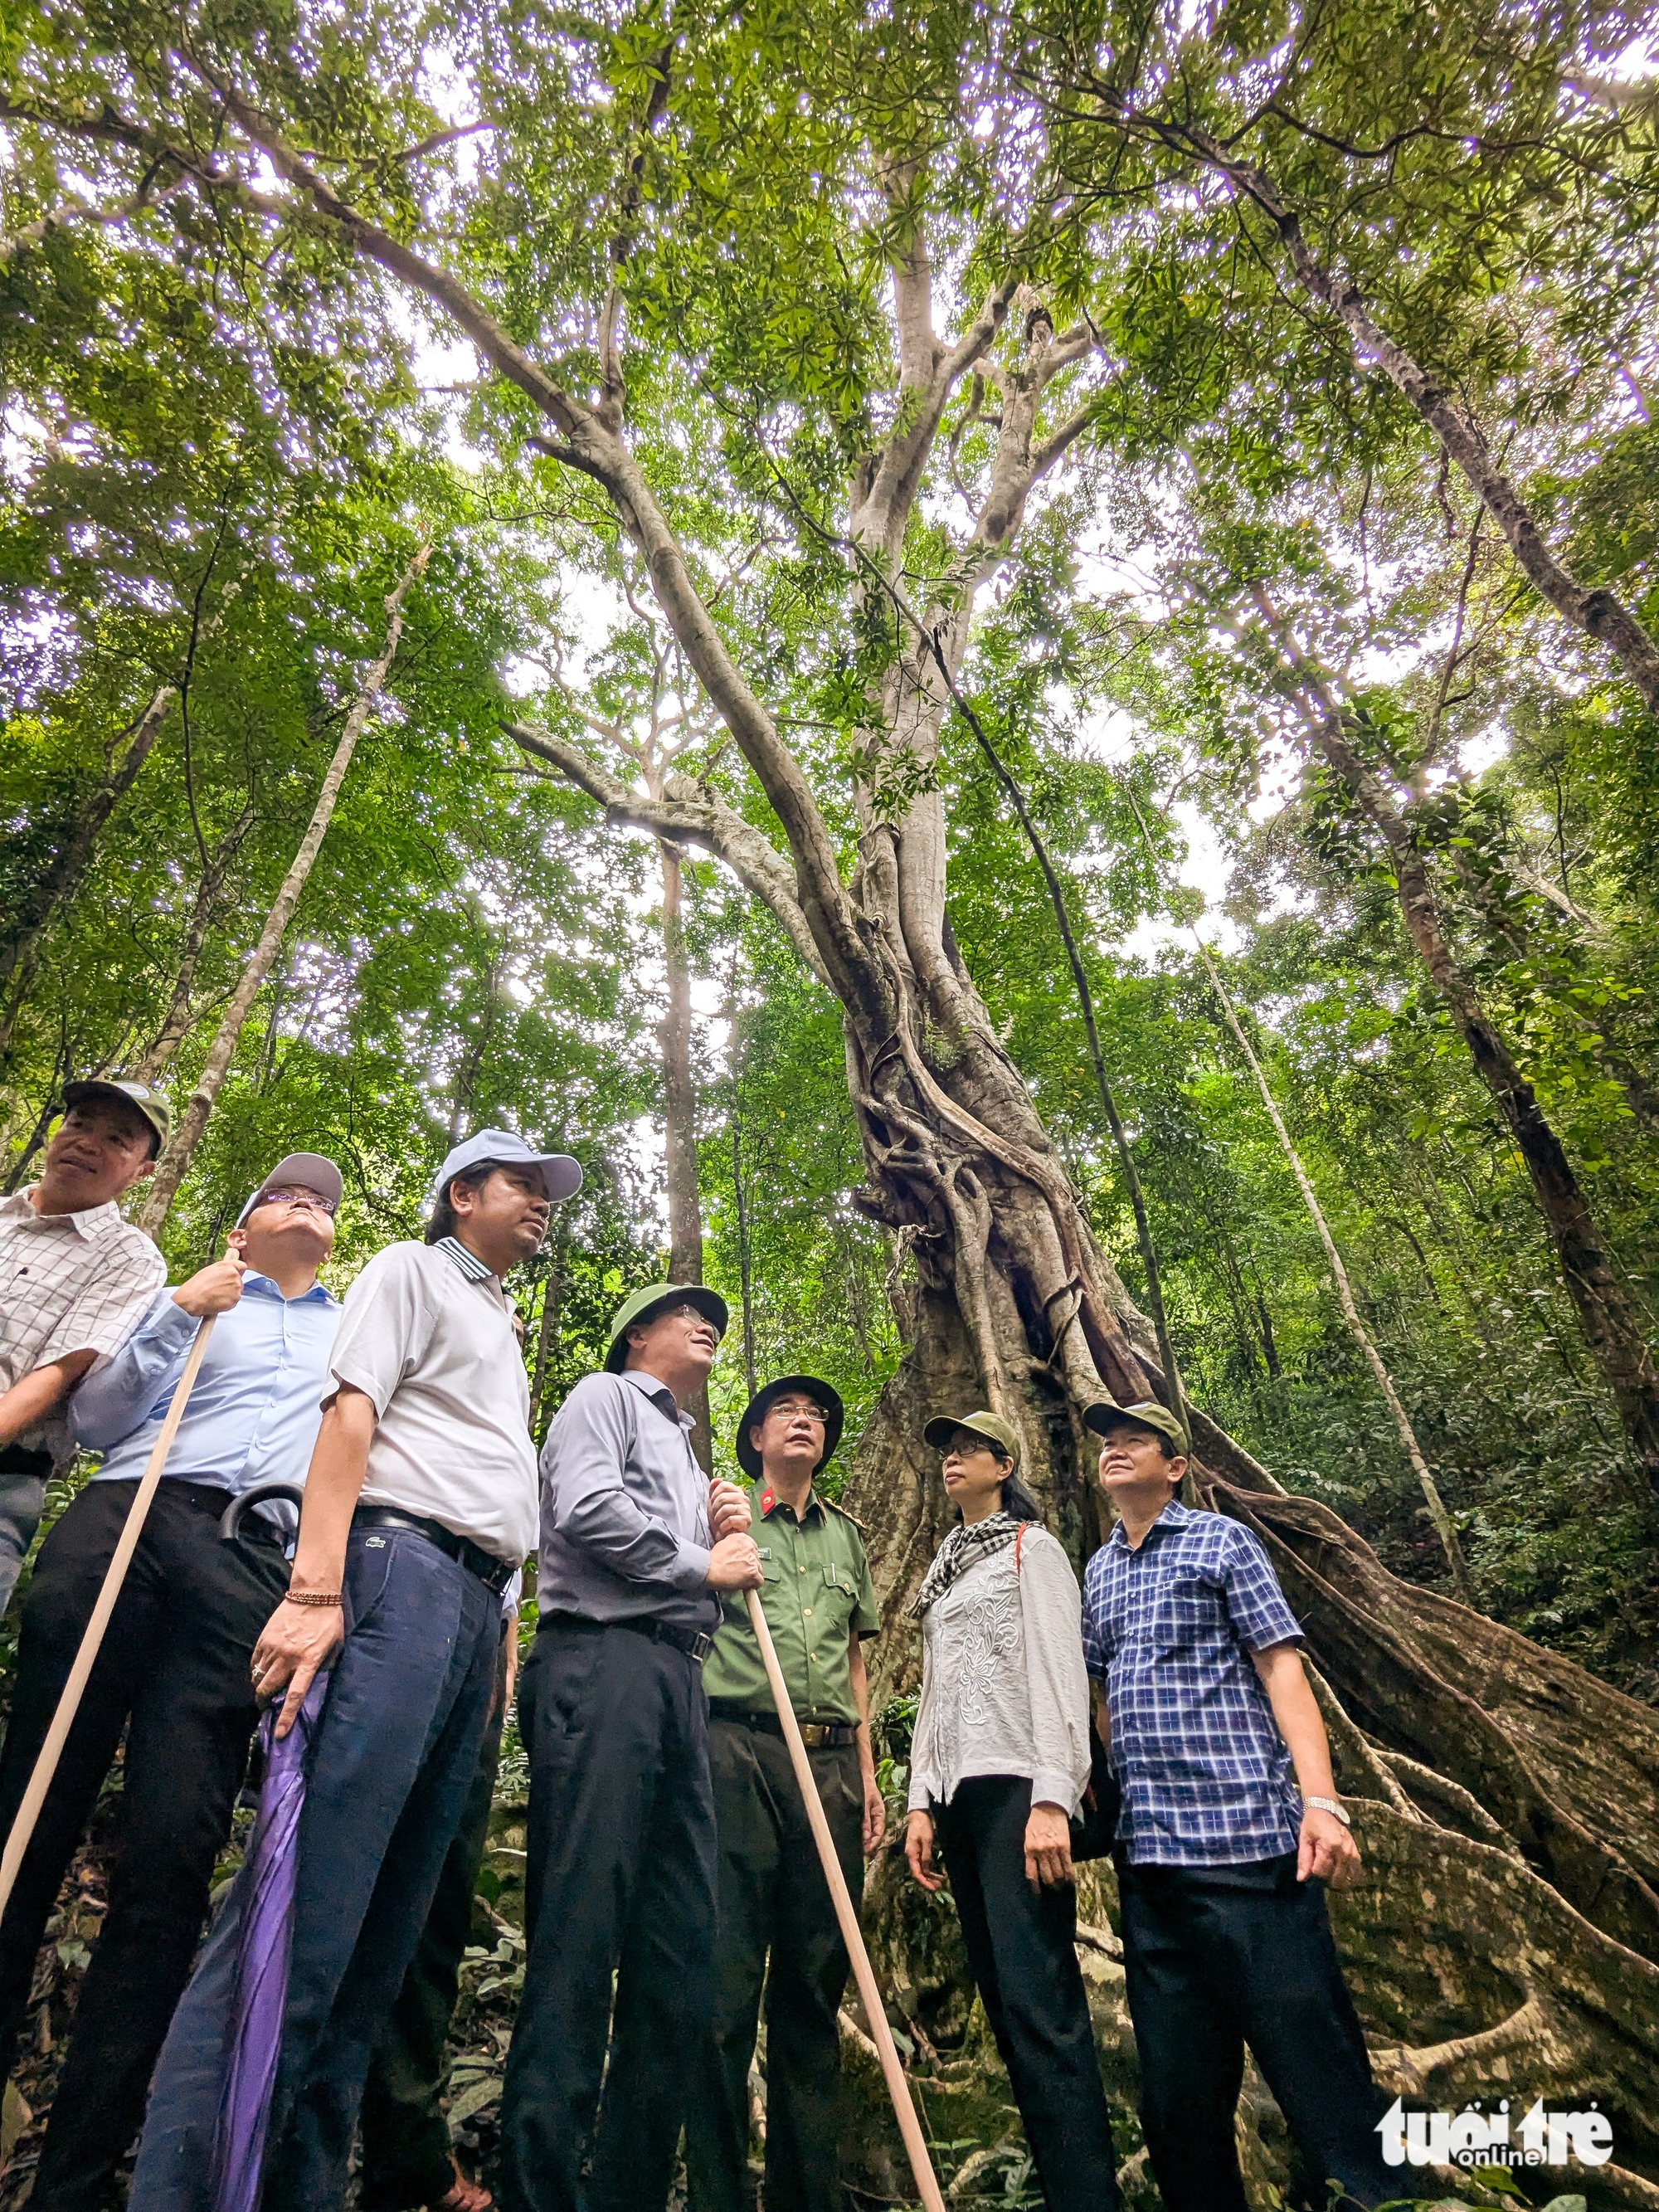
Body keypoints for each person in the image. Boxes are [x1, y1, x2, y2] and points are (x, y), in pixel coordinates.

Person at [129, 1128, 580, 2212]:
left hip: (472, 1608)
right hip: (398, 1576)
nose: (544, 1206)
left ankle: (297, 2183)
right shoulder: (412, 1270)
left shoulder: (498, 1316)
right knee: (314, 1892)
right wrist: (315, 1589)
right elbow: (352, 1415)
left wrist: (499, 1645)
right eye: (525, 1185)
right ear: (463, 1193)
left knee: (388, 1924)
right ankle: (192, 2187)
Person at [0, 1152, 343, 2212]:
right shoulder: (190, 1296)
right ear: (242, 1226)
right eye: (286, 1192)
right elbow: (97, 1422)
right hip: (126, 1516)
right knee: (32, 1800)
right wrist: (176, 1310)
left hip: (249, 1559)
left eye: (325, 1200)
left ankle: (78, 2171)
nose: (308, 1204)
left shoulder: (352, 1334)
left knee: (173, 1849)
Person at [1081, 1401, 1405, 2212]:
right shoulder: (1098, 1569)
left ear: (1176, 1465)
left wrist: (1321, 1803)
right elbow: (1101, 1690)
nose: (1115, 1450)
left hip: (1248, 1851)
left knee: (1320, 2076)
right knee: (1177, 2104)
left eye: (1134, 1440)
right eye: (1107, 1442)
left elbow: (1280, 1667)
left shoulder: (1221, 1541)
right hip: (1150, 1868)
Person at [498, 1283, 762, 2212]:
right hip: (598, 1665)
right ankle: (536, 2188)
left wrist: (719, 1533)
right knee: (578, 1933)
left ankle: (627, 2192)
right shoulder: (600, 1396)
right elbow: (584, 1509)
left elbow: (708, 1580)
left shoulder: (694, 1465)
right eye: (686, 1311)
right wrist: (703, 1561)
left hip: (675, 1682)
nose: (709, 1325)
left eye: (718, 1321)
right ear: (636, 1334)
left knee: (681, 1951)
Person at [903, 1411, 1121, 2212]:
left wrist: (1055, 1797)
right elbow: (935, 1692)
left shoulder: (1034, 1550)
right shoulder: (946, 1569)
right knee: (1002, 1997)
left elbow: (1064, 1674)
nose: (952, 1460)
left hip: (1021, 1794)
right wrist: (920, 1801)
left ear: (1005, 1463)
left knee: (1041, 2001)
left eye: (967, 1449)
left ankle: (1087, 2196)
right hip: (960, 1800)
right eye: (947, 1451)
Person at [685, 1376, 883, 2212]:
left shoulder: (846, 1539)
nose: (805, 1422)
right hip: (736, 1748)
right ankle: (718, 2195)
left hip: (832, 1767)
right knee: (726, 1984)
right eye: (786, 1414)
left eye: (818, 1417)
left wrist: (869, 1777)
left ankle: (806, 2196)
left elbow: (853, 1662)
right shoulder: (718, 1514)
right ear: (756, 1435)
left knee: (811, 1984)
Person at [0, 1077, 170, 1614]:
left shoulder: (130, 1258)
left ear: (143, 1172)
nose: (88, 1142)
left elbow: (59, 1373)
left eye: (118, 1138)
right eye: (79, 1124)